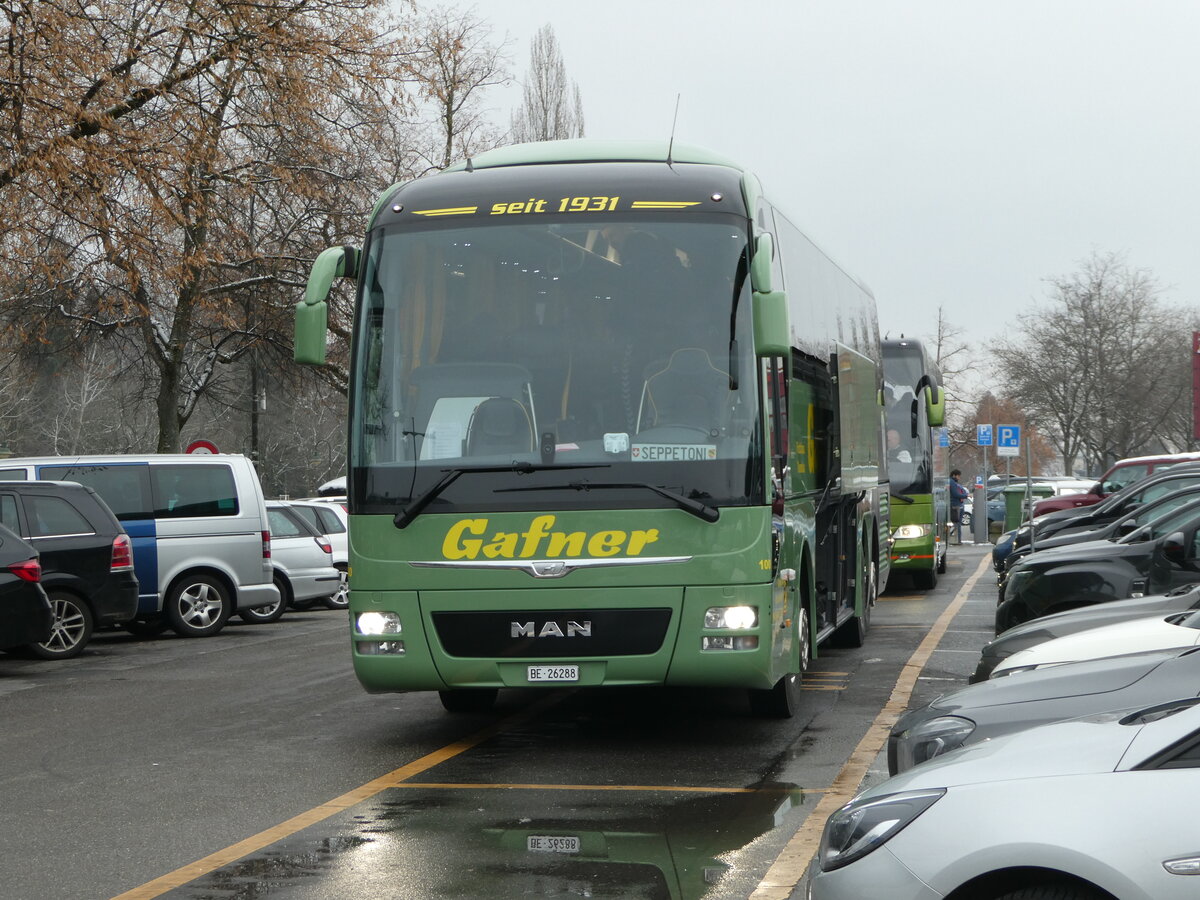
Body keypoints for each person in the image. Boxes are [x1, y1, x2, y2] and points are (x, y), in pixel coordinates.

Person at [949, 469, 970, 544]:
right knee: (957, 523)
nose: (959, 478)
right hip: (956, 505)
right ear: (954, 475)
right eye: (958, 476)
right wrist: (966, 495)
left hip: (958, 505)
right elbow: (956, 494)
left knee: (957, 524)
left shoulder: (953, 482)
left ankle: (957, 539)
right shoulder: (952, 483)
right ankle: (957, 540)